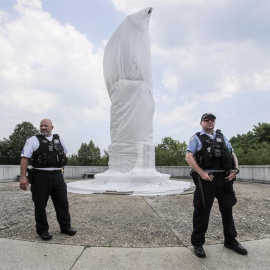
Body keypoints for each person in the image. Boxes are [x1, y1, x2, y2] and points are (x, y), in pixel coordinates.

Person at [186, 113, 247, 258]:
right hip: (207, 180)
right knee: (202, 212)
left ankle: (230, 240)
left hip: (225, 180)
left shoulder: (222, 137)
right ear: (201, 123)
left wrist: (235, 170)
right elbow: (189, 156)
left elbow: (232, 154)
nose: (210, 122)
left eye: (212, 120)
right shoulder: (196, 138)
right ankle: (198, 243)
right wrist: (201, 173)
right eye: (206, 120)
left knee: (227, 211)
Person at [19, 119, 76, 241]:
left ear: (52, 127)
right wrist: (23, 177)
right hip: (40, 177)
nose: (43, 127)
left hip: (58, 176)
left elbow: (64, 154)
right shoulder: (33, 140)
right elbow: (25, 159)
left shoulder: (59, 140)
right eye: (41, 126)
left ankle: (65, 227)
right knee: (40, 205)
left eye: (46, 125)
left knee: (62, 203)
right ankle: (43, 230)